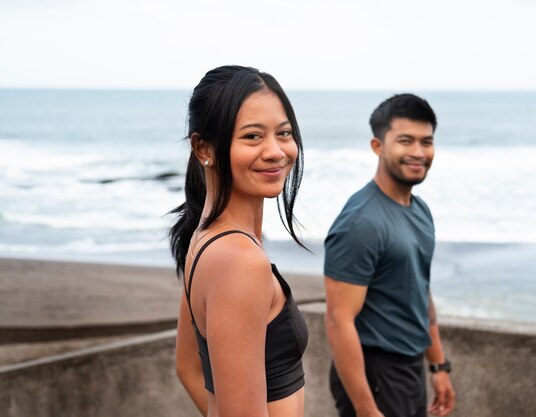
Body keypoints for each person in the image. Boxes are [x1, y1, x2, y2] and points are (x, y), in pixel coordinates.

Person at [169, 65, 308, 417]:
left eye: (284, 133)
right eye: (252, 136)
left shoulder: (204, 237)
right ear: (205, 148)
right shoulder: (240, 260)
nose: (276, 151)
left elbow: (189, 368)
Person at [324, 94, 456, 417]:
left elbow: (419, 290)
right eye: (405, 141)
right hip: (376, 374)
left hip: (409, 369)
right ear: (378, 146)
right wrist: (367, 409)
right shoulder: (361, 223)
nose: (418, 152)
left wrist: (438, 365)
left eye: (426, 142)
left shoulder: (420, 210)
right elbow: (338, 321)